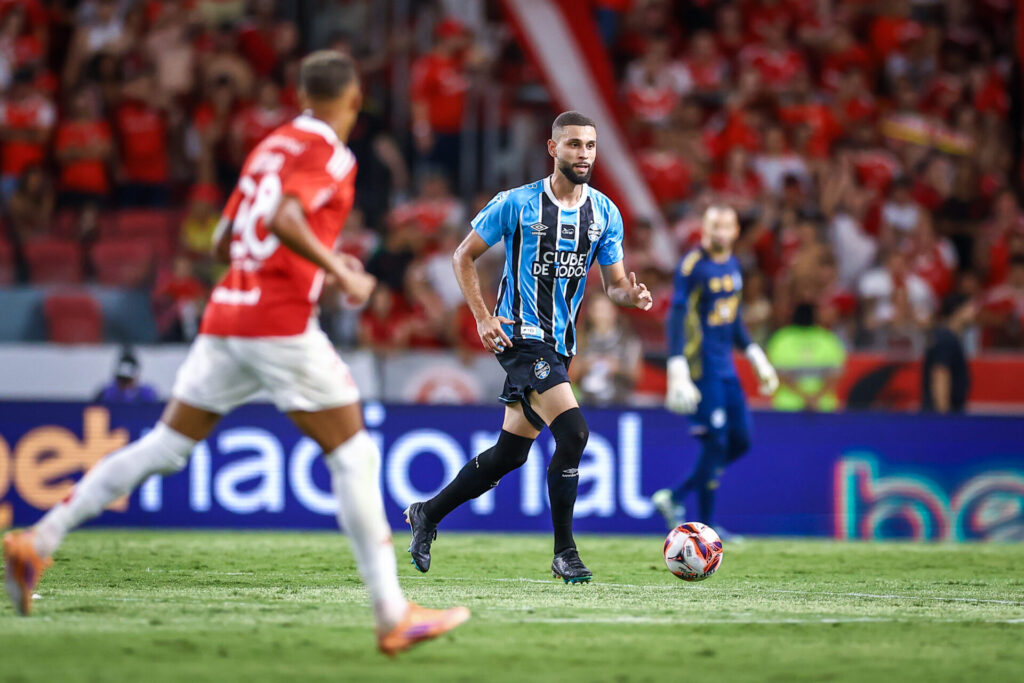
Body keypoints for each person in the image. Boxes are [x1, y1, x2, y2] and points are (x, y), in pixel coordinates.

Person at [3, 50, 468, 656]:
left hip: (228, 313)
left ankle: (38, 539)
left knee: (165, 448)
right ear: (352, 103)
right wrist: (340, 273)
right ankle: (391, 614)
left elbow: (227, 238)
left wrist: (313, 264)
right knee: (353, 453)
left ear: (303, 97)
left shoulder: (269, 147)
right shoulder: (332, 152)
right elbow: (283, 218)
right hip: (277, 322)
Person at [404, 111, 654, 584]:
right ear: (552, 148)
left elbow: (615, 284)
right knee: (575, 433)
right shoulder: (516, 203)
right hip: (520, 336)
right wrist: (482, 316)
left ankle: (427, 513)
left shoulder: (604, 212)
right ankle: (566, 552)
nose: (583, 153)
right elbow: (463, 256)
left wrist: (630, 297)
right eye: (574, 144)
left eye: (590, 146)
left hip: (560, 345)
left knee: (510, 455)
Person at [653, 205, 779, 534]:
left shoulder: (734, 264)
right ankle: (707, 527)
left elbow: (732, 318)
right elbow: (677, 316)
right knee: (716, 442)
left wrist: (755, 355)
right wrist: (677, 367)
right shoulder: (693, 266)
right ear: (704, 230)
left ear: (736, 231)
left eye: (726, 227)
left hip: (726, 367)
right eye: (714, 227)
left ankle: (675, 496)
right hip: (701, 366)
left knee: (741, 440)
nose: (720, 233)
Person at [765, 302, 846, 411]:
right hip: (822, 406)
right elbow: (834, 375)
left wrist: (805, 398)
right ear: (815, 317)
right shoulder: (828, 339)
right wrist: (814, 399)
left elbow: (776, 375)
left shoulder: (781, 339)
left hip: (787, 407)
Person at [921, 293, 974, 413]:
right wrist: (945, 417)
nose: (974, 312)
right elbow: (940, 373)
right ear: (957, 310)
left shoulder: (947, 337)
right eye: (969, 308)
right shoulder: (946, 339)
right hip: (941, 417)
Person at [93, 349, 159, 403]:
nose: (125, 385)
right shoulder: (106, 394)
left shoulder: (147, 394)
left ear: (136, 376)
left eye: (128, 380)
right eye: (122, 380)